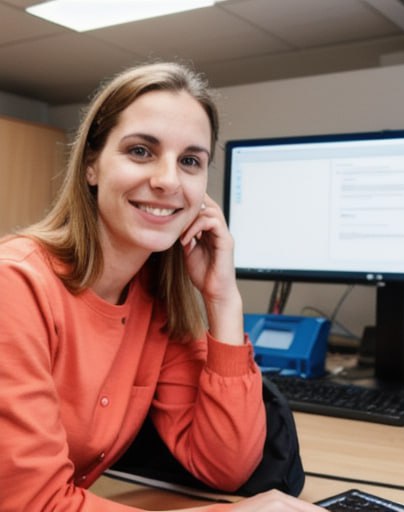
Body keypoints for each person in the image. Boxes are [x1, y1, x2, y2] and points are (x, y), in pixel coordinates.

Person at [0, 62, 323, 511]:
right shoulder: (15, 285)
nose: (168, 180)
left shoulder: (154, 300)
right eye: (140, 151)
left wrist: (222, 298)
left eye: (190, 161)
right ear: (91, 166)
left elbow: (227, 465)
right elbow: (31, 505)